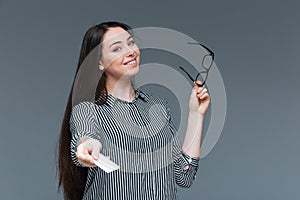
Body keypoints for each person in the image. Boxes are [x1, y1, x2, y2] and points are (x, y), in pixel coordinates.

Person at [58, 21, 210, 200]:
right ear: (99, 63)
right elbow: (86, 137)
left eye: (131, 43)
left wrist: (196, 114)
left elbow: (184, 176)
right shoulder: (88, 109)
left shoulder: (158, 107)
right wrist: (87, 147)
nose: (130, 51)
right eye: (117, 48)